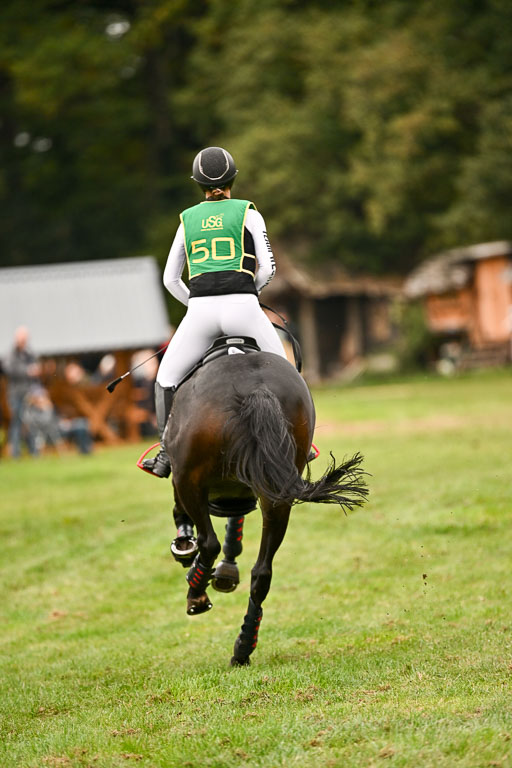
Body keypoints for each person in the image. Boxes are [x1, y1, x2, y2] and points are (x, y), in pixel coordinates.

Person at [142, 146, 287, 477]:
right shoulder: (249, 212)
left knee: (165, 378)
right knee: (286, 372)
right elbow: (269, 267)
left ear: (198, 184)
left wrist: (195, 303)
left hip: (201, 313)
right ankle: (300, 445)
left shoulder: (186, 219)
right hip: (244, 308)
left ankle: (167, 452)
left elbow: (170, 279)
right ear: (233, 178)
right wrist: (250, 292)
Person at [3, 326, 41, 458]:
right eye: (21, 339)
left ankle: (34, 451)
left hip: (29, 393)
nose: (23, 341)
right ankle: (15, 453)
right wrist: (27, 371)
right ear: (17, 339)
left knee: (31, 422)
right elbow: (8, 370)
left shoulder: (29, 353)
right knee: (17, 422)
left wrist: (35, 370)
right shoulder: (10, 354)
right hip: (15, 394)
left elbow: (36, 366)